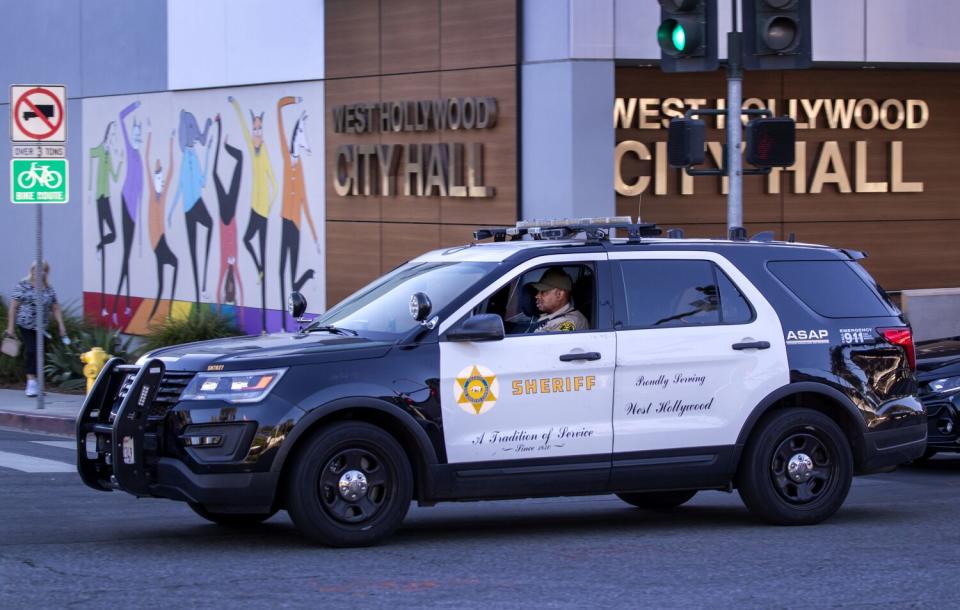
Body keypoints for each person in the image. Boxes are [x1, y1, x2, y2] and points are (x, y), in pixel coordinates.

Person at [5, 262, 68, 397]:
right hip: (25, 324)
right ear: (32, 270)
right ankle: (31, 382)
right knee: (31, 350)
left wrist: (61, 326)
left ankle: (37, 383)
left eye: (43, 270)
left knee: (40, 353)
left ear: (46, 272)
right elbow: (13, 307)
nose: (38, 272)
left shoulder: (48, 289)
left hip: (42, 328)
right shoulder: (23, 285)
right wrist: (10, 328)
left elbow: (55, 308)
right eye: (35, 269)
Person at [527, 267, 588, 333]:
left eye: (543, 292)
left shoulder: (570, 322)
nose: (537, 296)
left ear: (559, 294)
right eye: (538, 292)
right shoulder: (551, 315)